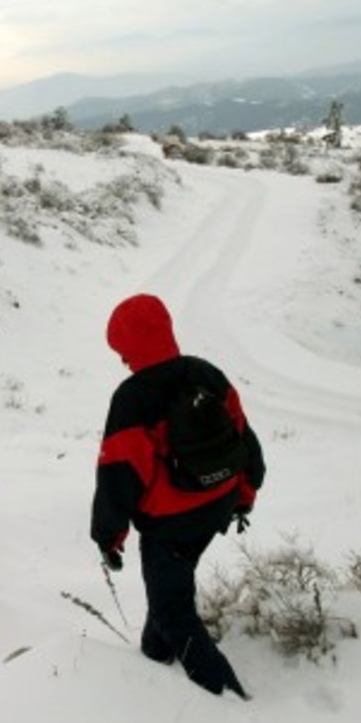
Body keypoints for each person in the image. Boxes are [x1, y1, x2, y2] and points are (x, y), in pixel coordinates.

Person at [90, 293, 265, 699]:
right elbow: (244, 440)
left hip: (170, 526)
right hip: (216, 506)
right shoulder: (207, 374)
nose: (121, 358)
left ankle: (230, 698)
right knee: (169, 588)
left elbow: (119, 474)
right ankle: (153, 655)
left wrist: (108, 537)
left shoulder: (132, 398)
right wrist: (245, 494)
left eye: (122, 348)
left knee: (174, 611)